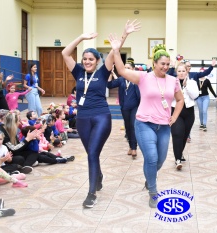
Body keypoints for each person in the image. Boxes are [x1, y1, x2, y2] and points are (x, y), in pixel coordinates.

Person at [62, 20, 140, 208]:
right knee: (91, 153)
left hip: (101, 116)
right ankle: (99, 175)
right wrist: (81, 37)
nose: (87, 62)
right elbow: (65, 53)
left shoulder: (103, 72)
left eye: (91, 59)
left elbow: (115, 50)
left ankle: (91, 193)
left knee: (92, 153)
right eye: (85, 59)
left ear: (97, 61)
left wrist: (124, 34)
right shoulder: (78, 72)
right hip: (82, 118)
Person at [108, 27, 184, 208]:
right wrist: (118, 48)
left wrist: (174, 116)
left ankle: (149, 178)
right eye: (162, 64)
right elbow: (120, 69)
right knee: (151, 158)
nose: (165, 67)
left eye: (168, 64)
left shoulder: (173, 80)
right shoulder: (143, 77)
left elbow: (180, 100)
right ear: (154, 63)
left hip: (164, 126)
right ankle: (153, 190)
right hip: (144, 124)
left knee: (160, 160)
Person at [107, 58, 140, 158]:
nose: (126, 69)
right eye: (124, 68)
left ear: (133, 69)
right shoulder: (121, 79)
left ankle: (134, 148)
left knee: (133, 126)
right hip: (124, 107)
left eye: (128, 68)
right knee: (128, 127)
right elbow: (109, 85)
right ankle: (130, 146)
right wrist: (110, 73)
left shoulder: (136, 79)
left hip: (135, 107)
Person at [171, 62, 199, 169]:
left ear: (187, 71)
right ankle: (177, 159)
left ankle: (180, 153)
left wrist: (186, 86)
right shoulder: (172, 82)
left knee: (184, 135)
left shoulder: (192, 82)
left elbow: (195, 96)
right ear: (176, 72)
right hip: (176, 111)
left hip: (189, 112)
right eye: (179, 71)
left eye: (183, 71)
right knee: (177, 133)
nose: (181, 73)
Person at [196, 67, 217, 131]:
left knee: (204, 111)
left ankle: (205, 124)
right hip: (198, 98)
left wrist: (215, 96)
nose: (201, 73)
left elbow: (211, 89)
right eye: (200, 72)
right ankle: (201, 123)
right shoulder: (196, 80)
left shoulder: (207, 80)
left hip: (206, 97)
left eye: (202, 72)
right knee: (200, 111)